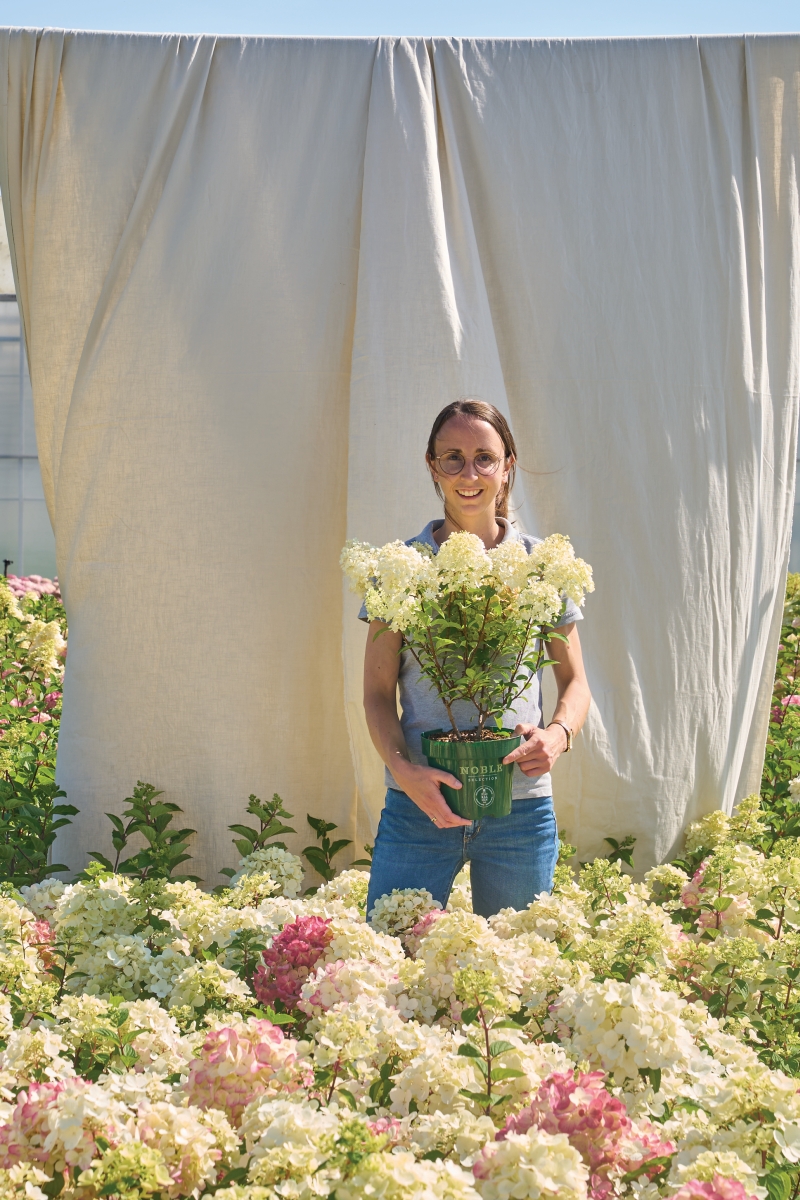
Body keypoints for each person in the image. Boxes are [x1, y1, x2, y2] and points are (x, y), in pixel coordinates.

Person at [362, 399, 592, 918]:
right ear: (432, 466)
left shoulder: (542, 566)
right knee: (389, 965)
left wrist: (556, 737)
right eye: (453, 458)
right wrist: (405, 773)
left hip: (520, 809)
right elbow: (376, 696)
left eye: (484, 458)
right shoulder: (401, 568)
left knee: (517, 976)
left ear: (507, 465)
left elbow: (575, 683)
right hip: (420, 807)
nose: (470, 473)